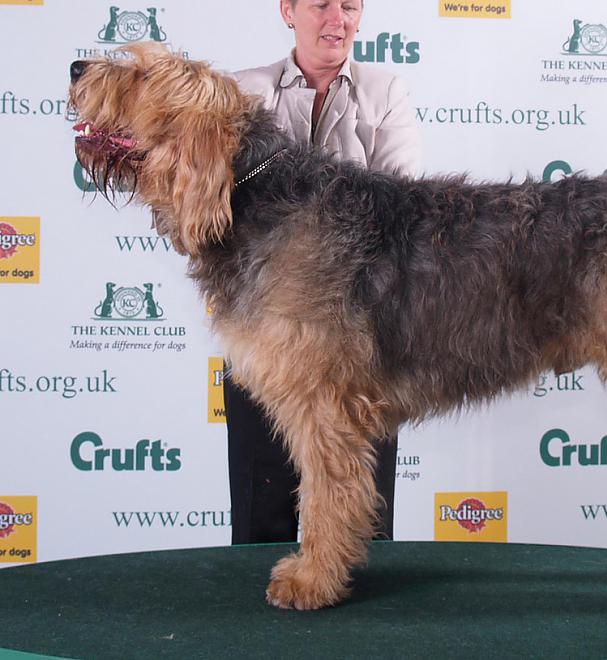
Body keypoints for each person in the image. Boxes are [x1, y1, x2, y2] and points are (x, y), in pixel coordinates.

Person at [225, 0, 422, 545]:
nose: (338, 19)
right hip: (266, 321)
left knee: (359, 484)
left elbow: (401, 206)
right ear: (288, 11)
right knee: (261, 497)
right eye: (320, 5)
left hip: (359, 327)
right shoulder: (243, 91)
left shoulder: (384, 91)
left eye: (351, 6)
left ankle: (352, 576)